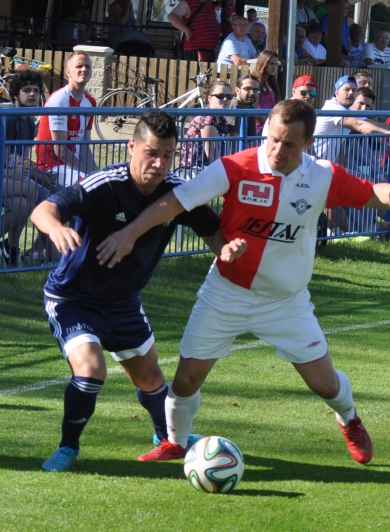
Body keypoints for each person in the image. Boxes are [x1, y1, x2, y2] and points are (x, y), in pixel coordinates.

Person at [94, 100, 390, 466]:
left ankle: (349, 419)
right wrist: (130, 233)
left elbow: (370, 194)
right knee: (186, 380)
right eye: (273, 139)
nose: (277, 150)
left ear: (308, 144)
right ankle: (175, 442)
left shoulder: (322, 175)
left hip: (285, 302)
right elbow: (176, 201)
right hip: (226, 293)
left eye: (289, 144)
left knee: (325, 385)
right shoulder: (234, 167)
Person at [30, 110, 224, 472]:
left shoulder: (177, 193)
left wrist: (231, 255)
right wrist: (55, 227)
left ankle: (166, 437)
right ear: (132, 146)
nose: (159, 163)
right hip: (74, 299)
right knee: (91, 370)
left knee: (150, 378)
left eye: (167, 155)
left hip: (123, 303)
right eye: (151, 153)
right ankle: (68, 448)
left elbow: (214, 234)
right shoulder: (106, 185)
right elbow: (44, 210)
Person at [1, 69, 53, 267]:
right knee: (32, 189)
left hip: (9, 177)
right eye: (26, 90)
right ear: (15, 94)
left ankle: (10, 249)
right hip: (4, 175)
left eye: (36, 91)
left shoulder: (29, 122)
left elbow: (22, 158)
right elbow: (6, 156)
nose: (32, 94)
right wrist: (34, 174)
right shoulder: (8, 118)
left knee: (24, 204)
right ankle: (12, 248)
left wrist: (37, 172)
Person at [314, 76, 390, 162]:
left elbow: (373, 124)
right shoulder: (333, 108)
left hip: (324, 165)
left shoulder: (347, 111)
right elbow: (360, 125)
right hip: (314, 165)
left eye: (354, 90)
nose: (351, 93)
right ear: (336, 93)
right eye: (347, 89)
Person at [35, 51, 97, 188]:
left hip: (72, 166)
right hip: (50, 167)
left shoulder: (90, 101)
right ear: (68, 72)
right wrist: (91, 173)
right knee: (91, 185)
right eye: (79, 66)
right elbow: (61, 151)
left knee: (104, 183)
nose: (84, 69)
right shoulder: (60, 100)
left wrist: (98, 173)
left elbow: (84, 145)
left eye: (87, 66)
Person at [178, 81, 232, 174]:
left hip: (208, 169)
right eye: (220, 95)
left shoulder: (223, 120)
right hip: (194, 170)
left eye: (229, 96)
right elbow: (212, 156)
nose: (225, 99)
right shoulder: (207, 118)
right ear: (210, 98)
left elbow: (227, 153)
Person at [252, 50, 282, 135]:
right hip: (259, 127)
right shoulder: (256, 82)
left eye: (276, 64)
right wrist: (268, 123)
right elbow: (254, 109)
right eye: (271, 64)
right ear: (263, 63)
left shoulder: (271, 81)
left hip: (271, 125)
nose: (274, 67)